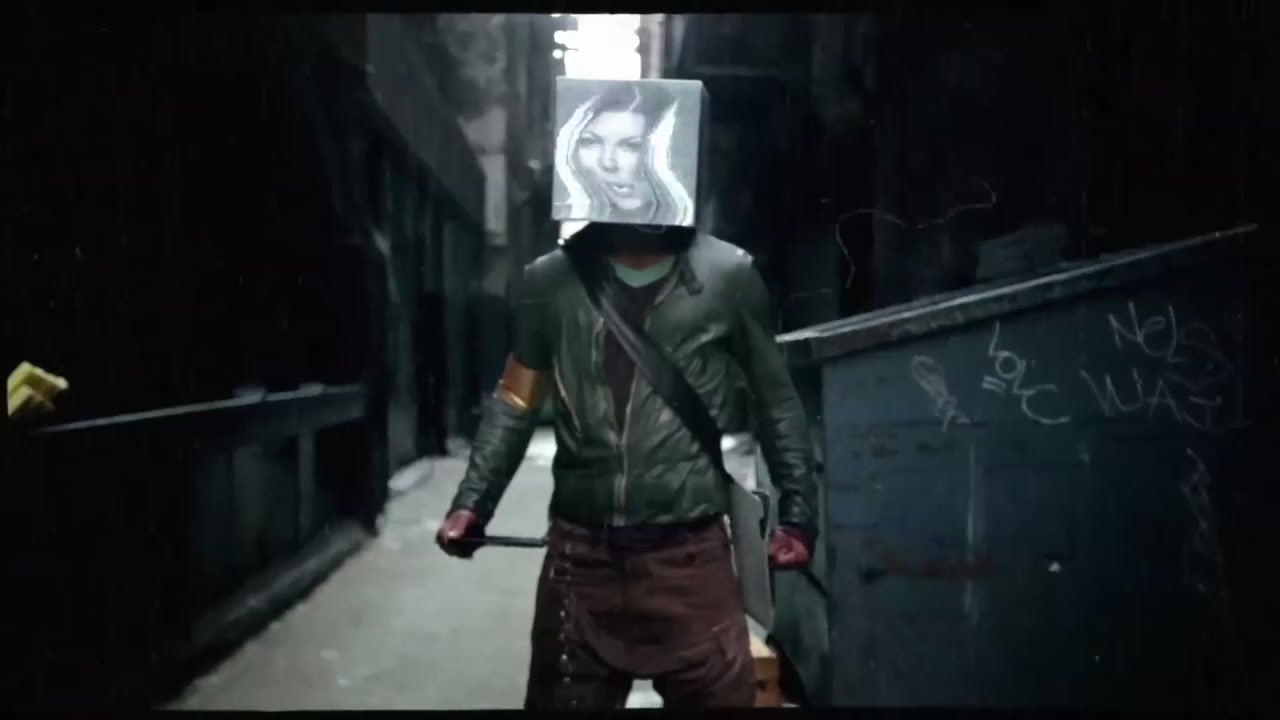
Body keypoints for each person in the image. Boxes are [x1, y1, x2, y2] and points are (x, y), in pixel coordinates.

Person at [437, 78, 816, 710]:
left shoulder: (728, 275)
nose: (612, 162)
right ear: (575, 154)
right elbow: (517, 397)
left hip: (691, 560)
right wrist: (473, 502)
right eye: (594, 142)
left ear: (664, 154)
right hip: (579, 560)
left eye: (632, 145)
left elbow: (775, 399)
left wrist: (798, 513)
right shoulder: (548, 283)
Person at [553, 81, 696, 227]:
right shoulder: (557, 221)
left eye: (631, 146)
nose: (608, 163)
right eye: (590, 142)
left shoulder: (696, 228)